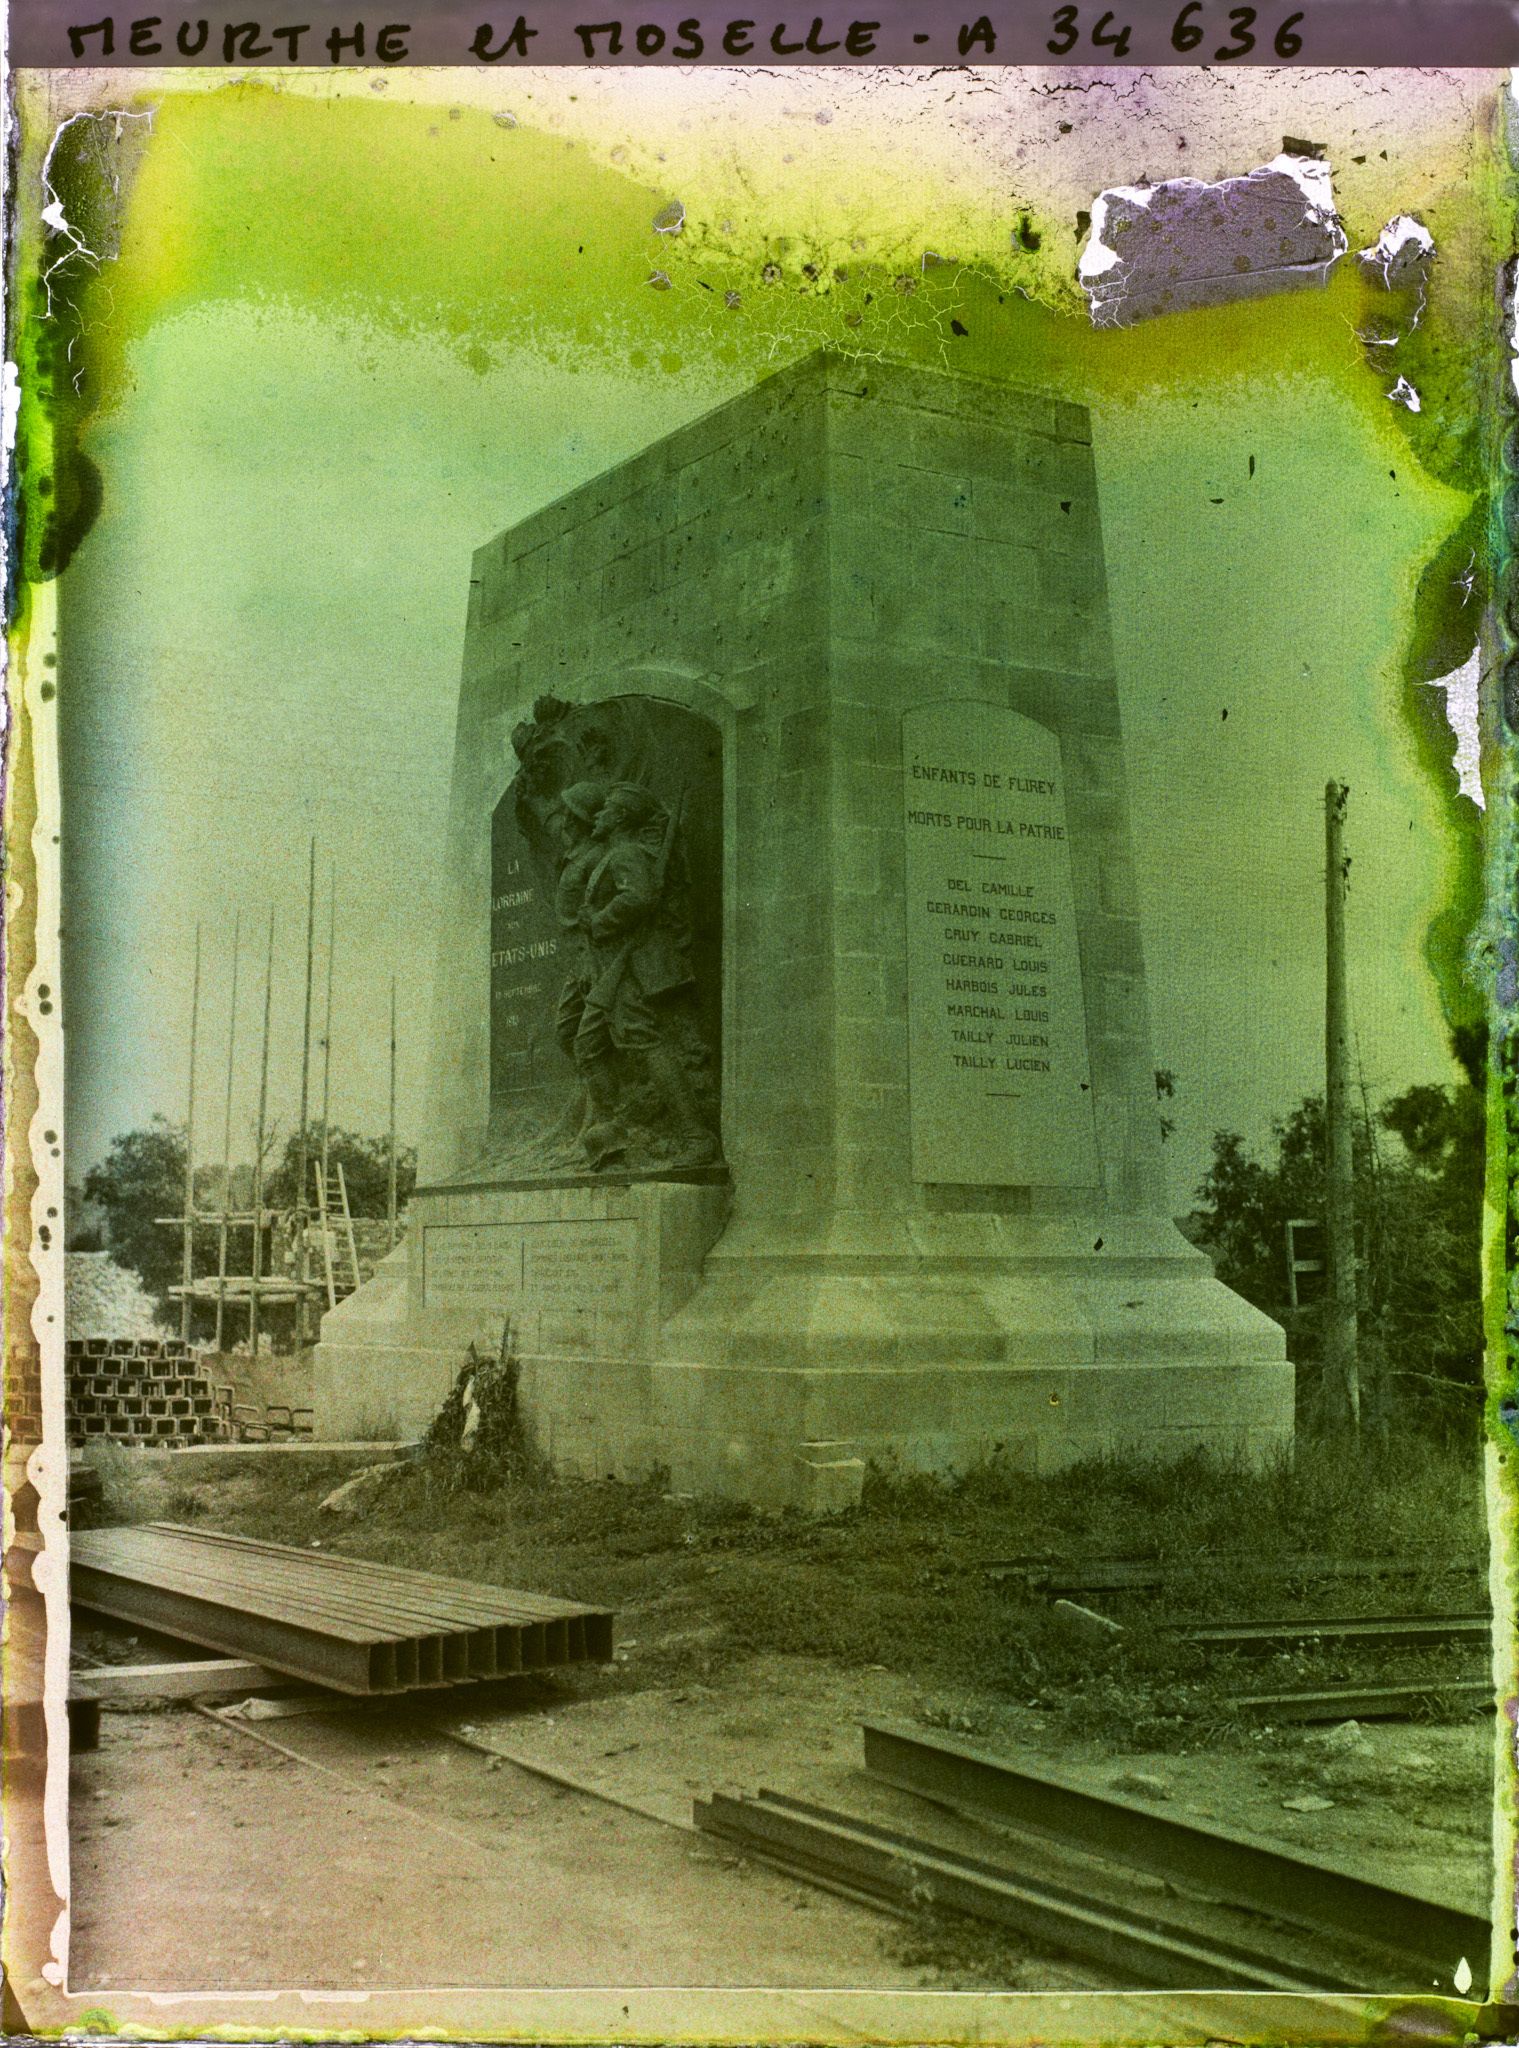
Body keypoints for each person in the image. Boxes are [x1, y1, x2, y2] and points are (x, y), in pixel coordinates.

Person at [556, 780, 716, 1169]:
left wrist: (599, 921)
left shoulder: (626, 853)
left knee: (642, 1040)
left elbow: (639, 897)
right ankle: (620, 1126)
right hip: (612, 967)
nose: (598, 815)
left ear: (622, 817)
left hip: (628, 967)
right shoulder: (617, 853)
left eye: (606, 809)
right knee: (588, 1045)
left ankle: (696, 1135)